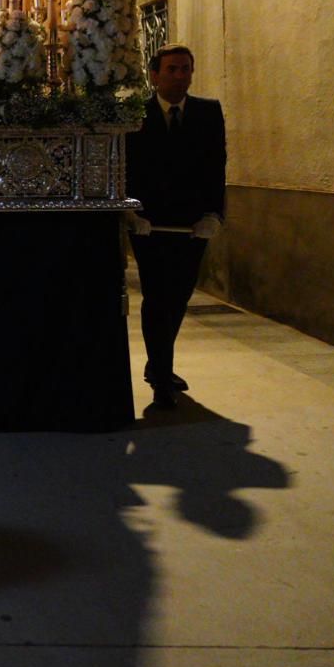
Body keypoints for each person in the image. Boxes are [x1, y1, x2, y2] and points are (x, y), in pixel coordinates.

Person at [126, 44, 227, 409]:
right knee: (156, 297)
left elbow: (217, 165)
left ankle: (159, 364)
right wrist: (130, 213)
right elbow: (127, 166)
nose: (180, 76)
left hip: (190, 224)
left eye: (186, 69)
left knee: (180, 295)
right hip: (149, 224)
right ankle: (162, 379)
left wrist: (213, 214)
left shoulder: (208, 112)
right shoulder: (136, 113)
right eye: (172, 69)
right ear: (154, 75)